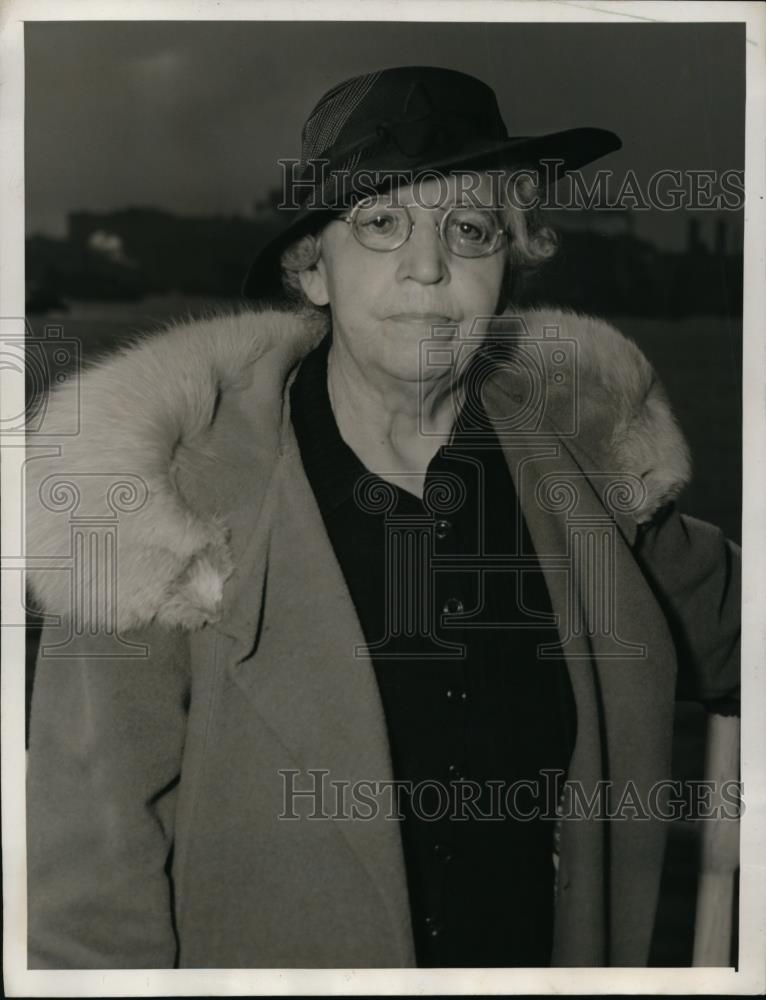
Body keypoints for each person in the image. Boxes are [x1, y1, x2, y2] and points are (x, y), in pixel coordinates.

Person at [25, 66, 740, 970]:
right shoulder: (154, 508)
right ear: (311, 269)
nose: (430, 265)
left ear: (506, 267)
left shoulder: (586, 473)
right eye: (381, 222)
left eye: (471, 229)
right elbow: (85, 897)